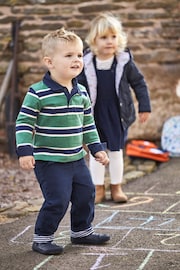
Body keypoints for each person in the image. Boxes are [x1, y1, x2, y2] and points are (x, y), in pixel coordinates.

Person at [15, 27, 110, 256]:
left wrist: (97, 149)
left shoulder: (83, 93)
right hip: (50, 161)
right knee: (58, 199)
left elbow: (88, 125)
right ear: (50, 62)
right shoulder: (37, 93)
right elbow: (24, 123)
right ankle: (43, 238)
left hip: (77, 158)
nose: (76, 60)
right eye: (68, 56)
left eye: (79, 55)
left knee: (86, 194)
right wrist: (25, 151)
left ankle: (81, 232)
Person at [78, 13, 151, 204]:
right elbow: (76, 87)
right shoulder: (86, 63)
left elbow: (139, 83)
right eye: (104, 37)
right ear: (94, 40)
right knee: (96, 151)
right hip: (94, 114)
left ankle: (116, 187)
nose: (109, 42)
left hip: (118, 115)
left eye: (113, 37)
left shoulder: (124, 61)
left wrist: (145, 106)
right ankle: (98, 187)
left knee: (116, 152)